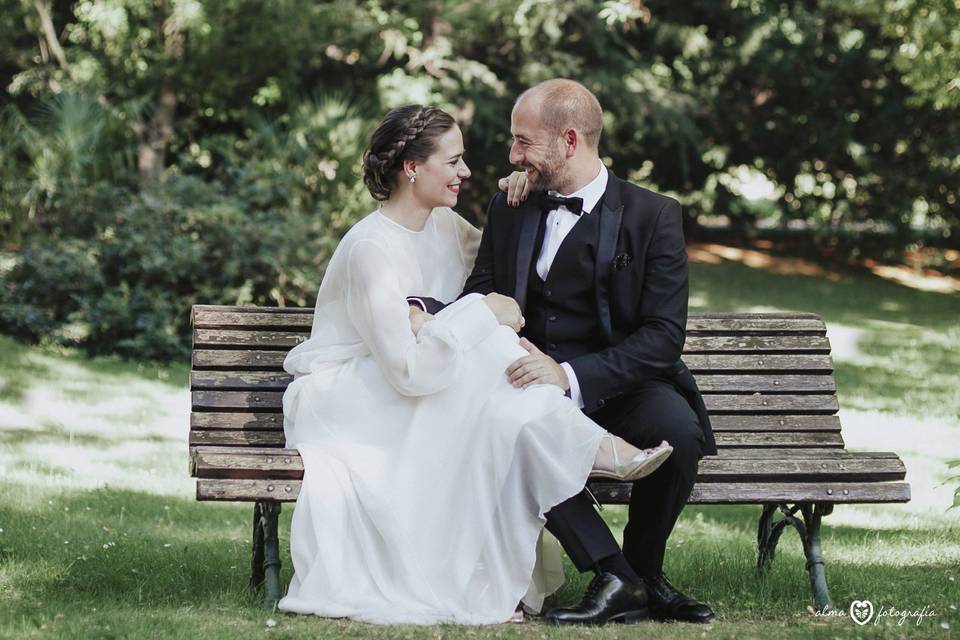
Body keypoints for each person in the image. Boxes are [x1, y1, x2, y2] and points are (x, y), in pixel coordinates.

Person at [277, 104, 672, 625]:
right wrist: (485, 314)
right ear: (412, 168)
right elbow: (409, 372)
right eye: (455, 161)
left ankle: (608, 561)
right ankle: (591, 448)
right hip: (360, 396)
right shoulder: (370, 248)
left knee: (509, 410)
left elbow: (501, 266)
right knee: (493, 354)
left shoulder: (447, 227)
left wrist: (524, 189)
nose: (466, 172)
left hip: (428, 384)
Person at [409, 79, 718, 625]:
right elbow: (482, 293)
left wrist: (569, 375)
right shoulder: (512, 204)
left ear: (570, 141)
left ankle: (644, 574)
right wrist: (419, 306)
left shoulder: (654, 217)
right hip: (523, 380)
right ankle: (614, 573)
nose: (512, 155)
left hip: (621, 381)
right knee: (514, 431)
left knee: (680, 433)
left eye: (524, 142)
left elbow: (663, 336)